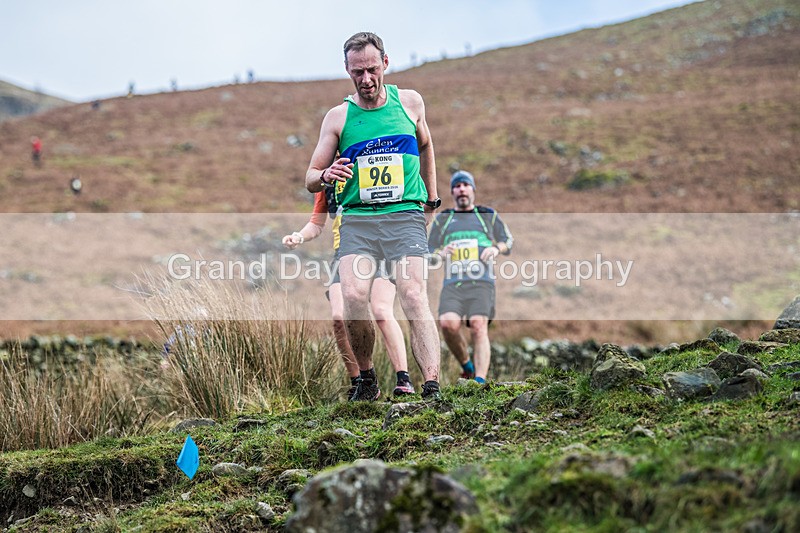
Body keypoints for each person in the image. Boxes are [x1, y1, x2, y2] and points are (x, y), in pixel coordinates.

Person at [304, 31, 442, 401]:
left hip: (404, 214)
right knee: (352, 295)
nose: (365, 79)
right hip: (359, 219)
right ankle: (367, 380)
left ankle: (431, 385)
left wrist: (431, 199)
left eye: (371, 70)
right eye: (357, 72)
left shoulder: (410, 102)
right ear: (347, 70)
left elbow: (426, 145)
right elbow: (310, 177)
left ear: (385, 63)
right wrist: (326, 174)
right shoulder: (338, 118)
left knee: (413, 294)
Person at [281, 188, 416, 398]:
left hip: (380, 248)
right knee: (339, 318)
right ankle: (361, 383)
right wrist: (298, 236)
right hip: (345, 254)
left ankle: (403, 379)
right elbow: (317, 223)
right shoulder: (327, 180)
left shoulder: (366, 168)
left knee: (381, 311)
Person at [428, 170, 513, 384]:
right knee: (447, 325)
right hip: (453, 283)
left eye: (466, 185)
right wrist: (441, 253)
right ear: (452, 192)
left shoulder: (487, 215)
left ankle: (480, 381)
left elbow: (508, 240)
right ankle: (467, 366)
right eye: (457, 186)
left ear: (473, 189)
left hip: (482, 282)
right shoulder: (444, 219)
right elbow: (428, 252)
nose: (462, 189)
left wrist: (495, 249)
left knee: (478, 325)